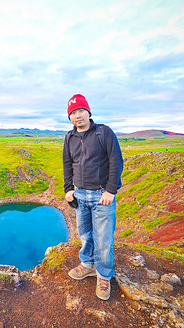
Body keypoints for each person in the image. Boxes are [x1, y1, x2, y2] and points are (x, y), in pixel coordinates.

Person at [62, 94, 123, 301]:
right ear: (70, 117)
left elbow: (116, 161)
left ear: (88, 112)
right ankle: (87, 265)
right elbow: (67, 164)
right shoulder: (69, 138)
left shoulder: (103, 132)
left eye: (81, 111)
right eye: (73, 113)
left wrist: (110, 190)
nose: (77, 116)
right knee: (85, 234)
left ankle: (104, 275)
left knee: (104, 238)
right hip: (80, 194)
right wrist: (68, 189)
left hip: (101, 195)